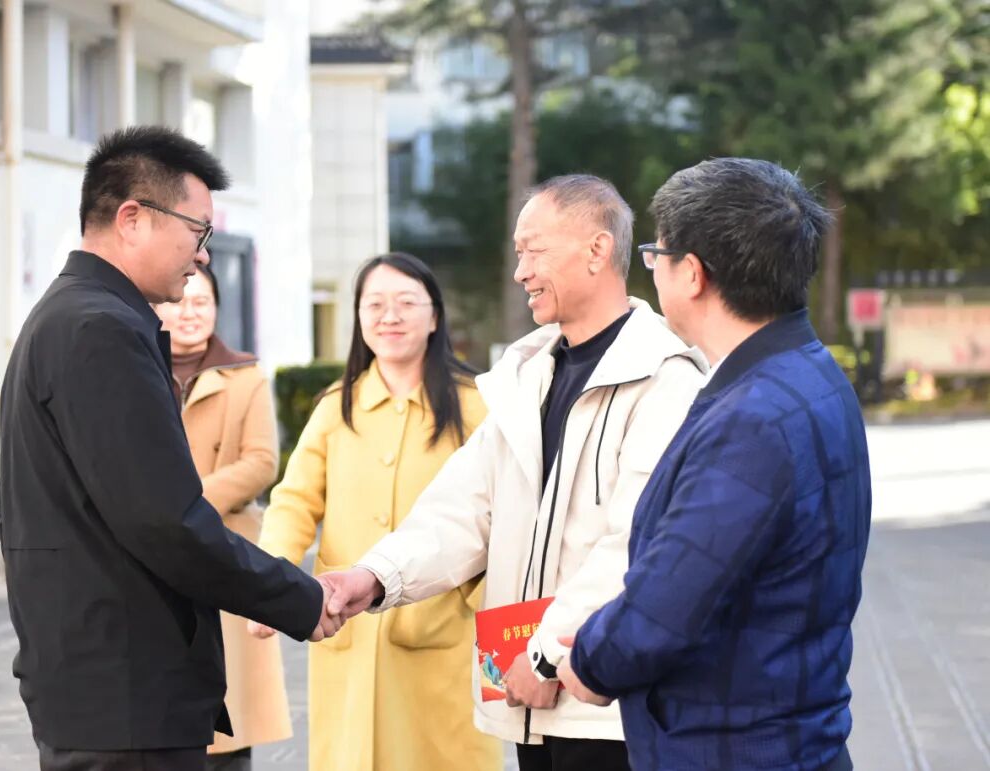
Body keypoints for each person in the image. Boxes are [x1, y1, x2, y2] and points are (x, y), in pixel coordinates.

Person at [320, 175, 707, 770]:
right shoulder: (526, 377)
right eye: (518, 252)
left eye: (534, 250)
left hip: (606, 706)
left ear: (598, 250)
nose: (521, 271)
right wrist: (372, 578)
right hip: (525, 694)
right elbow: (461, 509)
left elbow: (635, 543)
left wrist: (547, 655)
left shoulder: (665, 379)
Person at [0, 125, 341, 771]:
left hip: (98, 678)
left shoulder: (69, 316)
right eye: (198, 231)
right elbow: (165, 520)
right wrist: (299, 596)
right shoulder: (100, 329)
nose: (203, 255)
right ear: (132, 218)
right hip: (124, 686)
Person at [556, 158, 871, 771]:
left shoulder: (753, 418)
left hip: (735, 748)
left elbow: (668, 601)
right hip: (794, 731)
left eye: (656, 254)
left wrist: (588, 661)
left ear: (693, 274)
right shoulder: (810, 371)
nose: (652, 270)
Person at [254, 253, 503, 771]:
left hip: (446, 632)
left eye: (407, 302)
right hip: (347, 632)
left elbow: (505, 517)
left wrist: (479, 604)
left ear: (434, 316)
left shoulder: (477, 405)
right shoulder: (335, 406)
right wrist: (272, 582)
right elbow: (295, 500)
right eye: (375, 305)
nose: (390, 316)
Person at [154, 263, 291, 771]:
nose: (190, 313)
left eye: (203, 302)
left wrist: (181, 505)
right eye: (180, 302)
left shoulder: (245, 376)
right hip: (155, 553)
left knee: (228, 724)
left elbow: (261, 462)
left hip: (225, 554)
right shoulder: (137, 371)